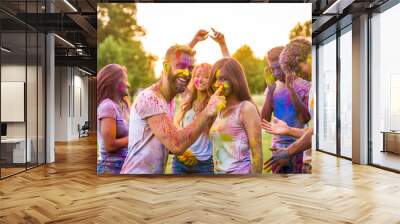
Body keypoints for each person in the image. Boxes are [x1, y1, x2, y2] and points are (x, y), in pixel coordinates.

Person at [120, 30, 226, 174]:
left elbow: (167, 143)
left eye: (190, 69)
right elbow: (176, 144)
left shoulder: (168, 101)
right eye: (182, 67)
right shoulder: (150, 99)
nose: (187, 74)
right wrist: (208, 110)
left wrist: (194, 42)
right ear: (165, 67)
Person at [172, 28, 230, 174]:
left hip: (205, 164)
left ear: (211, 79)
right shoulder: (187, 96)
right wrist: (194, 41)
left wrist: (222, 44)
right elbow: (177, 63)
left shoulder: (215, 100)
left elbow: (230, 69)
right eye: (197, 76)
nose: (199, 80)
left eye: (205, 76)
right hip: (181, 161)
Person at [262, 37, 313, 173]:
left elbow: (305, 119)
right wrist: (271, 90)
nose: (277, 73)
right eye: (273, 69)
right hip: (276, 145)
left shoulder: (304, 86)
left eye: (279, 68)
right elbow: (264, 121)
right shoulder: (272, 89)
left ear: (287, 64)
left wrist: (290, 88)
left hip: (298, 145)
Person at [208, 57, 263, 174]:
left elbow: (257, 155)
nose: (217, 84)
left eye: (222, 79)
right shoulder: (219, 109)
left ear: (235, 79)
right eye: (214, 79)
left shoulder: (246, 108)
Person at [97, 64, 130, 174]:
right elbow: (109, 146)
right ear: (115, 82)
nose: (128, 85)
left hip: (121, 166)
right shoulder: (108, 106)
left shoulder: (118, 107)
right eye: (125, 80)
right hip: (111, 168)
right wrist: (135, 137)